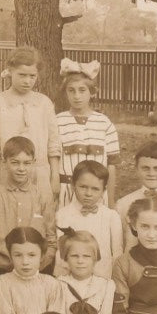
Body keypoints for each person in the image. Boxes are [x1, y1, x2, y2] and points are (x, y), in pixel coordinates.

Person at [0, 47, 60, 199]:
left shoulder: (44, 102)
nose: (27, 81)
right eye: (22, 75)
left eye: (32, 76)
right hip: (8, 171)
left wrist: (54, 177)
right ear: (10, 71)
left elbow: (53, 142)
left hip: (40, 172)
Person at [0, 136, 56, 273]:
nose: (21, 168)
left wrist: (42, 262)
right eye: (15, 163)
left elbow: (51, 238)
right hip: (1, 268)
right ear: (4, 162)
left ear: (34, 163)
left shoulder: (43, 197)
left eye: (27, 163)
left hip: (37, 268)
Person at [54, 58, 120, 208]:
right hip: (66, 193)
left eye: (82, 90)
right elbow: (53, 161)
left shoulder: (104, 123)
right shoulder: (57, 122)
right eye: (71, 91)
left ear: (92, 92)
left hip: (96, 194)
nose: (77, 96)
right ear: (65, 93)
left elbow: (111, 165)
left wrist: (110, 200)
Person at [54, 160, 123, 278]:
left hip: (102, 280)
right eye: (83, 187)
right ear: (73, 186)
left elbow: (117, 254)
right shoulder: (62, 215)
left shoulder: (111, 216)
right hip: (69, 280)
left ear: (103, 191)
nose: (88, 193)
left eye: (95, 189)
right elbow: (61, 254)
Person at [56, 231, 115, 314]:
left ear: (95, 259)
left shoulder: (106, 285)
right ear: (66, 258)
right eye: (74, 256)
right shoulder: (59, 284)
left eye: (86, 256)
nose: (80, 261)